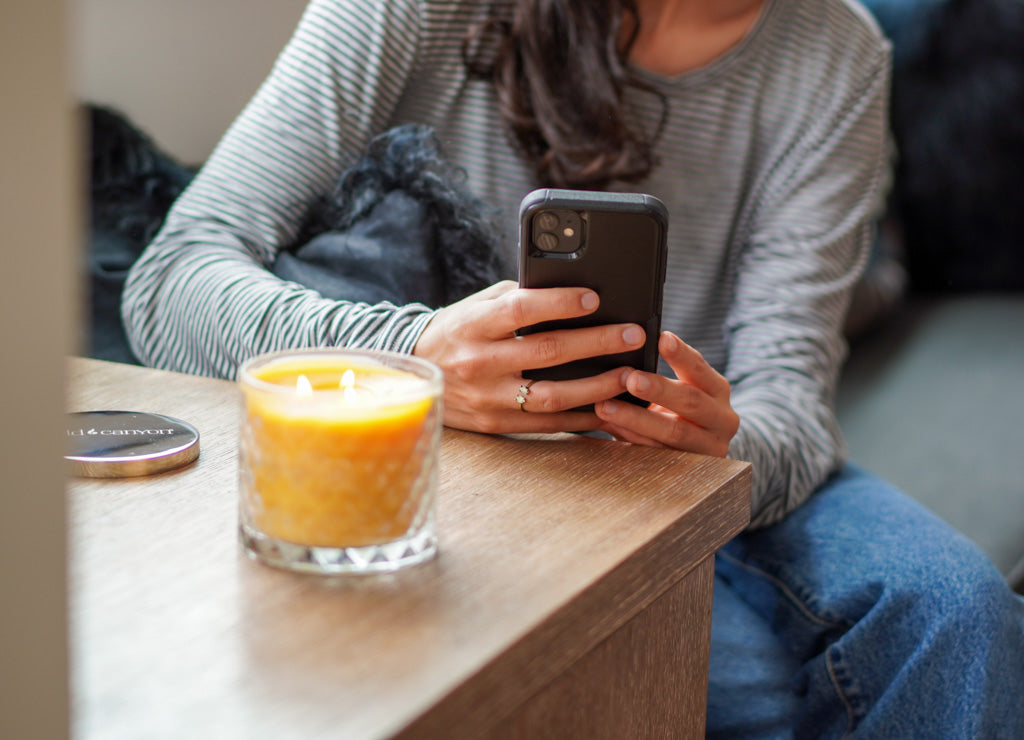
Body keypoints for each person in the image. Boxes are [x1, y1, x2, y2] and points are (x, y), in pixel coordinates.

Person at [122, 0, 1024, 736]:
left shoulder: (837, 51)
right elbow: (172, 280)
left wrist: (730, 438)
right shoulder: (416, 11)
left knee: (961, 614)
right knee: (709, 679)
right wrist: (412, 356)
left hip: (700, 471)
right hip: (478, 466)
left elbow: (790, 391)